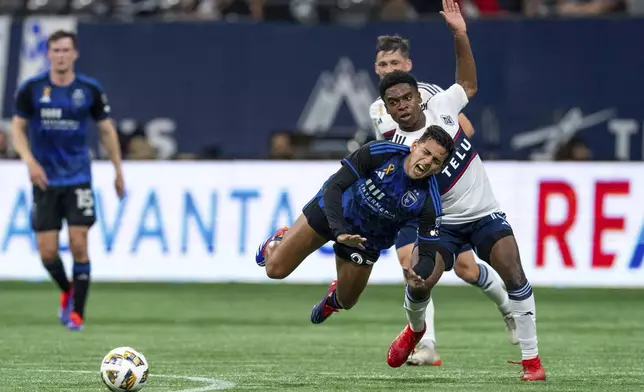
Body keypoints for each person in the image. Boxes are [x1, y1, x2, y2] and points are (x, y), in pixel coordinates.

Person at [379, 1, 546, 382]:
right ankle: (418, 332)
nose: (402, 106)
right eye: (394, 103)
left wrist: (460, 34)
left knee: (514, 272)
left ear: (417, 97)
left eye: (407, 98)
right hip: (441, 225)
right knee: (418, 280)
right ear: (386, 111)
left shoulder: (443, 104)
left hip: (484, 212)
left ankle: (532, 362)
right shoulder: (394, 147)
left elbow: (468, 83)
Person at [254, 127, 455, 324]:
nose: (427, 162)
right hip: (332, 211)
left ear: (440, 168)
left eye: (436, 160)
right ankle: (280, 239)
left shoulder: (430, 201)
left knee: (346, 301)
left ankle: (332, 300)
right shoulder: (380, 152)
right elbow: (335, 186)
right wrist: (339, 231)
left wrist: (417, 274)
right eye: (426, 152)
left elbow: (428, 253)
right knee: (274, 270)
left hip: (367, 240)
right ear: (414, 146)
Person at [11, 30, 124, 331]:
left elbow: (106, 130)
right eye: (55, 50)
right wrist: (30, 162)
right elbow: (17, 128)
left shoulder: (89, 90)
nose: (61, 55)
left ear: (75, 54)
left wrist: (118, 170)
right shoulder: (33, 89)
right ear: (48, 54)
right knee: (47, 253)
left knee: (79, 243)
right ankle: (66, 289)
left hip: (78, 177)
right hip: (45, 179)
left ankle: (78, 314)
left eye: (66, 50)